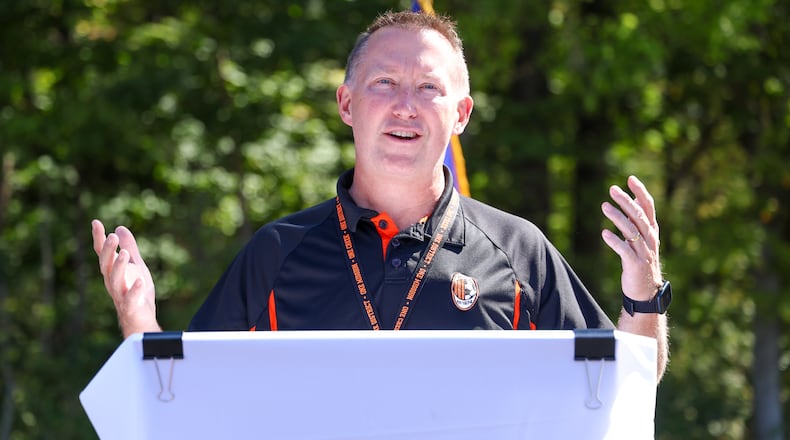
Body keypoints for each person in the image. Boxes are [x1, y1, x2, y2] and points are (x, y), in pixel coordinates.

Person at [92, 10, 669, 378]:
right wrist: (138, 316)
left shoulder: (518, 250)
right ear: (347, 104)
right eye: (385, 83)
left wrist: (643, 295)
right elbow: (183, 397)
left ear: (461, 114)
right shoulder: (278, 251)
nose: (405, 106)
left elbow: (625, 384)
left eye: (428, 87)